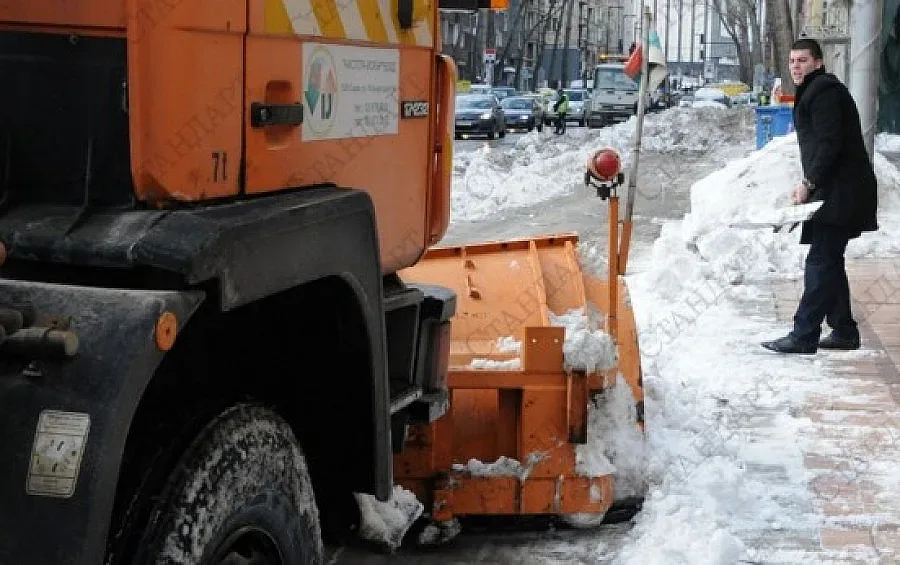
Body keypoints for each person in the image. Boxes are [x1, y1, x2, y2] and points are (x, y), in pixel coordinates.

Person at [762, 37, 878, 355]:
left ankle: (804, 334)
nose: (796, 66)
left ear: (818, 62)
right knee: (828, 260)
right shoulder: (817, 90)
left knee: (820, 262)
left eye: (802, 60)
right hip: (836, 191)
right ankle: (843, 331)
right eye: (792, 61)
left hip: (840, 193)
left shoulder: (824, 91)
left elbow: (830, 143)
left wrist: (808, 182)